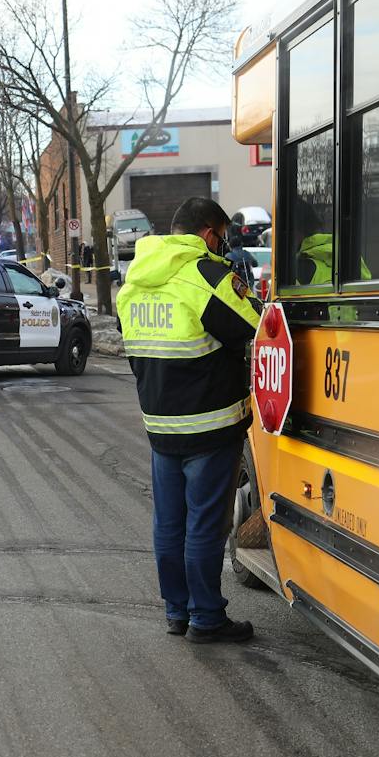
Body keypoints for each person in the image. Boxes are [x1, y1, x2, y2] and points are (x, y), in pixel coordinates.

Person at [115, 197, 262, 644]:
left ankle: (177, 612)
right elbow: (256, 322)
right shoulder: (204, 275)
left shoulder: (135, 282)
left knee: (169, 523)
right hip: (210, 423)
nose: (222, 247)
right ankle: (207, 618)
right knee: (204, 523)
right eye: (221, 238)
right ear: (207, 233)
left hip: (161, 426)